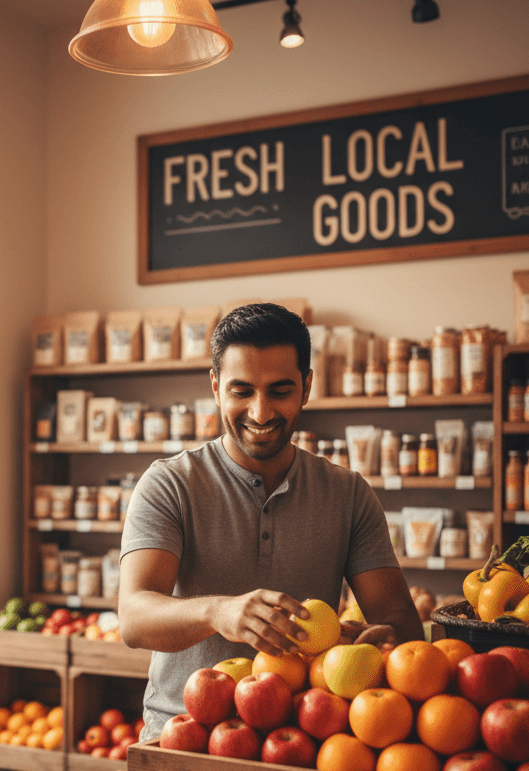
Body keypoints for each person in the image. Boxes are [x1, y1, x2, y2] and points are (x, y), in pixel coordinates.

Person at [117, 302, 422, 740]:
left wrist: (373, 638)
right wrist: (219, 611)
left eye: (280, 391)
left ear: (307, 387)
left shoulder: (348, 493)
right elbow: (133, 617)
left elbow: (401, 622)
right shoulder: (170, 484)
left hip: (304, 739)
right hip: (185, 737)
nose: (260, 413)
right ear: (216, 387)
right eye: (242, 391)